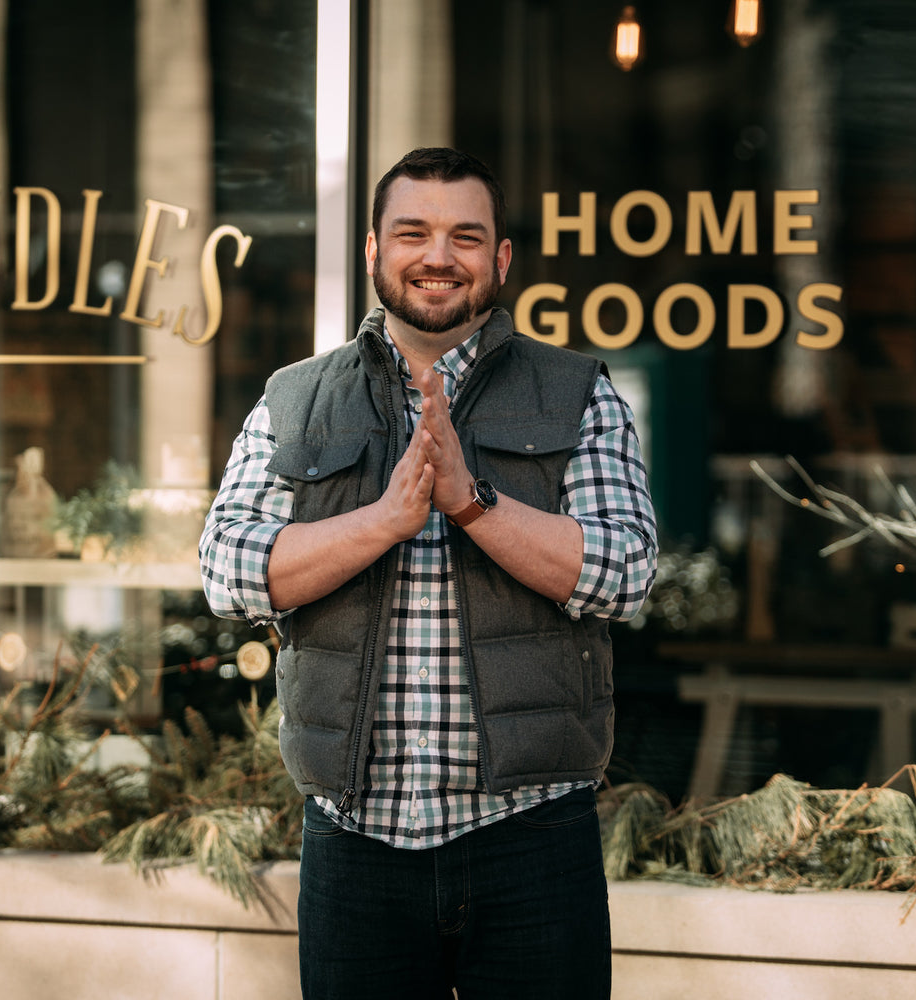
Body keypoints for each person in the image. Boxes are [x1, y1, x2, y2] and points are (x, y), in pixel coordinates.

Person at [199, 147, 657, 999]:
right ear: (373, 251)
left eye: (466, 237)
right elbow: (227, 572)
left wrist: (470, 503)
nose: (438, 256)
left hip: (531, 836)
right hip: (353, 844)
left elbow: (625, 571)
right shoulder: (296, 400)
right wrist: (386, 520)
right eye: (412, 232)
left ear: (502, 259)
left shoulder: (578, 393)